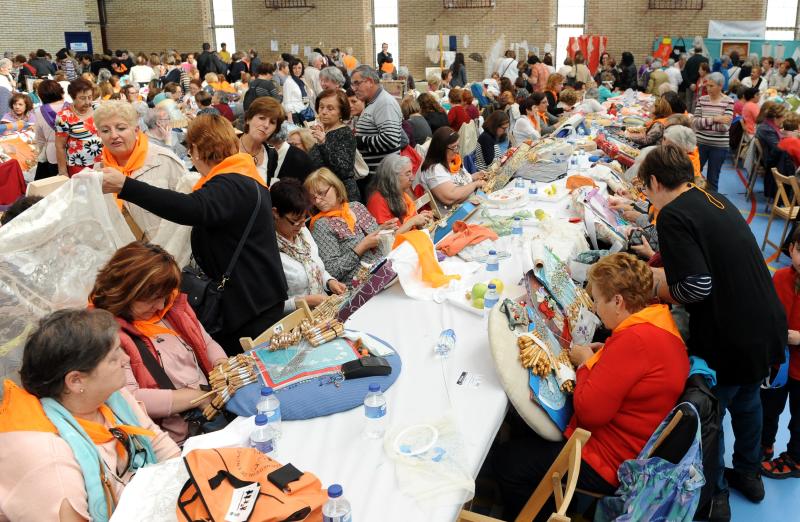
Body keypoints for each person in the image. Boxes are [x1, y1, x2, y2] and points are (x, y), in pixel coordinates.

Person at [643, 143, 787, 520]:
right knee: (748, 401)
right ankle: (749, 475)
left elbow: (697, 287)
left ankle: (716, 497)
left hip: (729, 333)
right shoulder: (713, 198)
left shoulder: (672, 215)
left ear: (656, 182)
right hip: (764, 323)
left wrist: (660, 287)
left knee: (712, 413)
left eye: (646, 188)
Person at [494, 252, 689, 520]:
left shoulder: (635, 341)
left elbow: (589, 412)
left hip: (608, 461)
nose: (595, 308)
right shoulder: (658, 322)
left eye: (597, 300)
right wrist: (605, 355)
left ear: (618, 301)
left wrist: (587, 363)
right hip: (632, 444)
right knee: (523, 428)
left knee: (509, 463)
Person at [99, 114, 288, 355]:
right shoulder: (242, 175)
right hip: (258, 298)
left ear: (196, 150)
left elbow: (191, 208)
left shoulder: (231, 182)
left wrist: (126, 186)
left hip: (250, 306)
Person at [0, 308, 180, 521]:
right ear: (76, 381)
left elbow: (158, 444)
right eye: (114, 358)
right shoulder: (48, 458)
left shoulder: (111, 396)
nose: (126, 359)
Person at [88, 242, 228, 444]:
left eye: (164, 297)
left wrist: (221, 366)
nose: (161, 305)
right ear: (125, 292)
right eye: (153, 298)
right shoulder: (106, 337)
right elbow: (130, 398)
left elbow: (206, 343)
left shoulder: (171, 310)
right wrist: (194, 397)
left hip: (211, 415)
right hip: (177, 440)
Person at [270, 178, 347, 312]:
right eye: (294, 221)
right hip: (297, 324)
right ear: (275, 213)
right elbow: (270, 308)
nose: (301, 225)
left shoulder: (302, 232)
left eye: (303, 219)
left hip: (324, 311)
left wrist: (330, 282)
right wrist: (305, 301)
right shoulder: (268, 249)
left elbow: (314, 266)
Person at [760, 228, 800, 479]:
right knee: (768, 407)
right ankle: (765, 443)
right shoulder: (781, 277)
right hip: (777, 363)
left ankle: (796, 458)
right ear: (792, 248)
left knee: (799, 418)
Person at [305, 167, 388, 285]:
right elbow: (332, 271)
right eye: (313, 198)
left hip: (384, 271)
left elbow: (377, 243)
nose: (318, 201)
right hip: (359, 288)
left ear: (336, 187)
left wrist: (383, 230)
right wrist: (362, 246)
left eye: (321, 193)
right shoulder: (321, 224)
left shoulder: (357, 207)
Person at [351, 64, 408, 181]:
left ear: (370, 82)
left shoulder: (384, 103)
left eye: (357, 83)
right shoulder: (373, 102)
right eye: (353, 84)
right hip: (376, 176)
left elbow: (390, 140)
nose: (354, 88)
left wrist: (358, 140)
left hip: (382, 178)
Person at [308, 88, 359, 201]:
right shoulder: (323, 131)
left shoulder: (345, 133)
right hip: (320, 196)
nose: (324, 112)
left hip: (341, 196)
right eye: (321, 107)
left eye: (330, 108)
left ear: (341, 111)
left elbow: (344, 170)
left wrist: (323, 143)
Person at [417, 126, 486, 210]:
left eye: (457, 146)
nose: (457, 151)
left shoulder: (453, 159)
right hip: (457, 215)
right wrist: (475, 184)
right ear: (441, 148)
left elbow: (460, 181)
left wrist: (474, 176)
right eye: (453, 147)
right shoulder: (434, 170)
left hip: (471, 204)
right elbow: (451, 197)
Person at [367, 154, 433, 230]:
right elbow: (386, 238)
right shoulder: (377, 200)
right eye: (407, 174)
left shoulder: (402, 193)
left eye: (411, 172)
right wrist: (413, 221)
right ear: (393, 177)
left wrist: (421, 218)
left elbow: (410, 222)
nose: (412, 178)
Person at [692, 72, 733, 191]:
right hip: (700, 143)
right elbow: (695, 123)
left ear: (720, 86)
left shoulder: (728, 101)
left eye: (711, 86)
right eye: (707, 85)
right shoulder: (702, 100)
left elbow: (725, 127)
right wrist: (715, 119)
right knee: (694, 175)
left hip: (719, 146)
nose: (708, 88)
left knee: (713, 179)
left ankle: (712, 205)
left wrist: (704, 123)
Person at [55, 78, 103, 176]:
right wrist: (63, 171)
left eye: (90, 97)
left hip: (102, 161)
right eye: (82, 98)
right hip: (78, 165)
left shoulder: (98, 108)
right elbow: (60, 146)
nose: (87, 102)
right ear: (73, 98)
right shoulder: (64, 116)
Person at [239, 96, 284, 184]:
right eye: (262, 118)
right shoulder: (227, 146)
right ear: (248, 119)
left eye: (272, 122)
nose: (266, 125)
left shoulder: (271, 154)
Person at [756, 101, 788, 199]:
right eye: (783, 117)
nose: (784, 119)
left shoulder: (767, 125)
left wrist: (785, 135)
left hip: (770, 157)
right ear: (775, 118)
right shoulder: (768, 129)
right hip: (771, 161)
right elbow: (779, 147)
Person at [283, 58, 313, 125]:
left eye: (299, 68)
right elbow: (287, 101)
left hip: (305, 112)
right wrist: (290, 120)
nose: (297, 70)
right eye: (294, 68)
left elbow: (310, 95)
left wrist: (306, 83)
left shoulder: (301, 80)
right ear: (291, 69)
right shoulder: (289, 82)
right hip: (295, 115)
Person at [683, 45, 709, 112]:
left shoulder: (689, 60)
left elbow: (684, 74)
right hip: (699, 84)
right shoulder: (705, 60)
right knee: (696, 103)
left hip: (689, 85)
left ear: (694, 51)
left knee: (688, 102)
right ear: (701, 51)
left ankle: (688, 117)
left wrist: (690, 84)